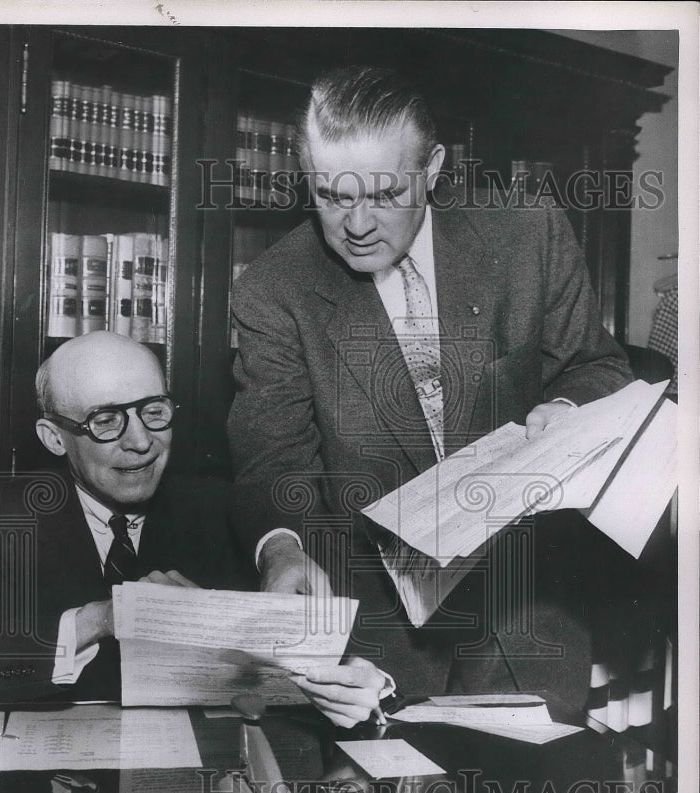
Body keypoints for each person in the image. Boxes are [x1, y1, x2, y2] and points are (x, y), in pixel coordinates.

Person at [227, 66, 635, 704]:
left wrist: (565, 406)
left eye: (386, 194)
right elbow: (272, 457)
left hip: (527, 616)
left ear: (433, 168)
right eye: (332, 196)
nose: (357, 224)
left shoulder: (527, 234)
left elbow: (597, 367)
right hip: (375, 644)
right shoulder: (273, 290)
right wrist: (281, 550)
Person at [0, 331, 378, 726]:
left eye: (153, 412)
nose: (141, 442)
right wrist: (102, 618)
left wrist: (358, 683)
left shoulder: (220, 512)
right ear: (54, 437)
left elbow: (327, 663)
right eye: (105, 420)